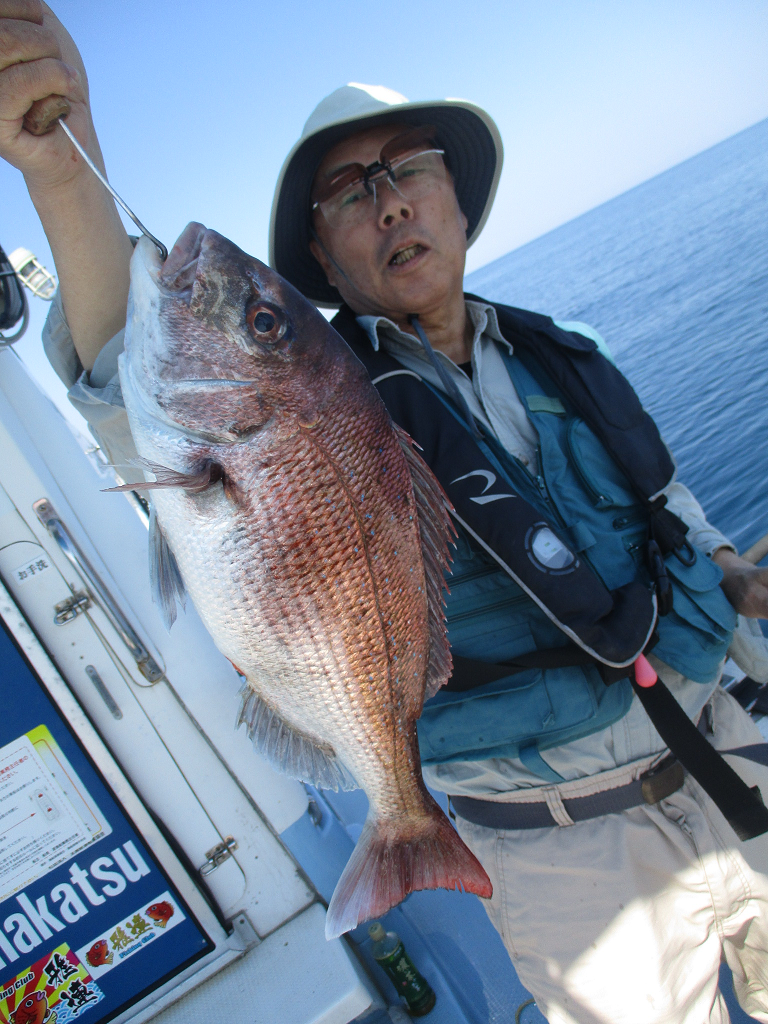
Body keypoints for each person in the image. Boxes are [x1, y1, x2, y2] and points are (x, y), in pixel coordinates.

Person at [2, 5, 768, 1021]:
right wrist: (65, 166)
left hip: (734, 744)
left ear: (457, 196)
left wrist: (736, 571)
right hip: (561, 847)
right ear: (318, 253)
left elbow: (664, 502)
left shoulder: (567, 348)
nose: (391, 202)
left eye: (409, 168)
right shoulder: (326, 390)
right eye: (349, 191)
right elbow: (118, 372)